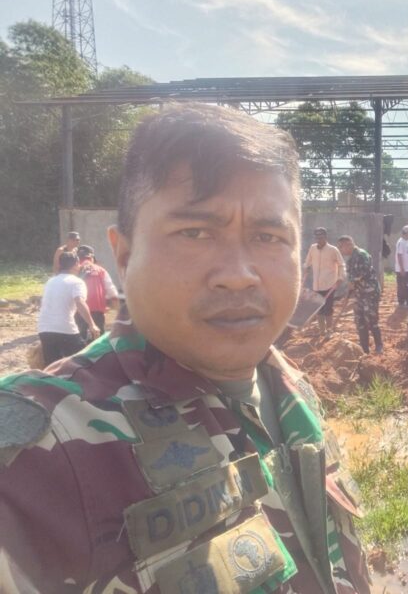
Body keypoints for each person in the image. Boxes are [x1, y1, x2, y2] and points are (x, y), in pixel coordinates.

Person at [0, 104, 370, 594]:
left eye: (268, 236)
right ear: (124, 254)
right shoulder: (38, 451)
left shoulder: (291, 389)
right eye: (194, 233)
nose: (238, 274)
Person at [37, 251, 100, 365]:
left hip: (44, 328)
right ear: (76, 264)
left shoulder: (50, 281)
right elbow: (80, 302)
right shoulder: (77, 282)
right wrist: (92, 324)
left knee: (52, 366)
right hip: (65, 328)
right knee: (81, 363)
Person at [338, 235, 383, 355]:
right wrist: (347, 296)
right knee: (360, 321)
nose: (341, 250)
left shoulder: (362, 255)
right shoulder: (350, 261)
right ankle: (364, 349)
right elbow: (351, 280)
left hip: (370, 292)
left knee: (371, 319)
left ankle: (379, 345)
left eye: (341, 247)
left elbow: (361, 273)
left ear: (349, 244)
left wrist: (352, 282)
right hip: (359, 294)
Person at [304, 226, 346, 338]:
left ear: (326, 237)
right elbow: (307, 261)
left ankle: (329, 331)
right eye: (317, 237)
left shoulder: (333, 250)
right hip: (316, 285)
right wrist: (306, 267)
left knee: (328, 308)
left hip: (329, 285)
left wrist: (340, 277)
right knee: (318, 308)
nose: (319, 239)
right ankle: (321, 331)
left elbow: (341, 264)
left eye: (321, 237)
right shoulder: (313, 248)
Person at [75, 244, 120, 339]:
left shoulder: (75, 270)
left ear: (78, 258)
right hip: (97, 310)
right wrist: (116, 308)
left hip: (80, 310)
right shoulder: (101, 270)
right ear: (92, 257)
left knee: (80, 339)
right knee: (98, 339)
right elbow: (111, 291)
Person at [395, 224, 408, 307]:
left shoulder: (407, 241)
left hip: (407, 268)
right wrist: (402, 268)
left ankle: (406, 300)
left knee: (406, 285)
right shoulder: (401, 242)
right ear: (406, 233)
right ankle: (401, 302)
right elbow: (399, 255)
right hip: (402, 269)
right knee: (402, 286)